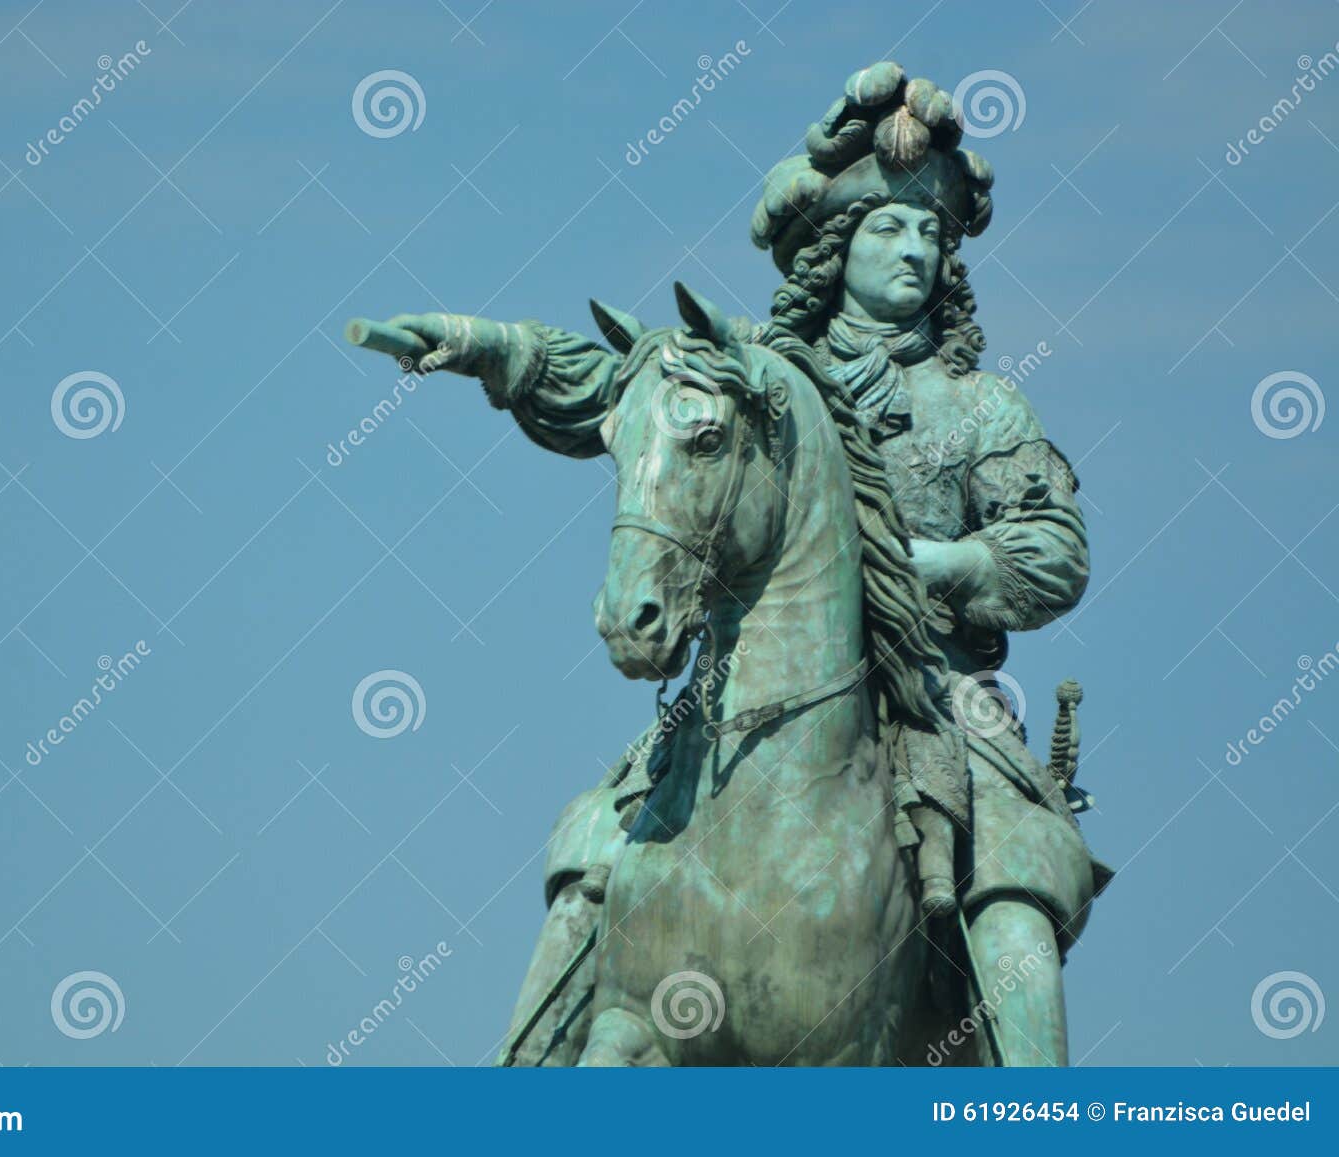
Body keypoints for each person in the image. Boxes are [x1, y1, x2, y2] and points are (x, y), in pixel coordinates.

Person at [386, 62, 1107, 1066]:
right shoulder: (758, 365)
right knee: (595, 847)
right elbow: (625, 380)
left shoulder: (982, 406)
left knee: (1018, 873)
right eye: (888, 227)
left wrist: (937, 560)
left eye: (929, 234)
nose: (914, 249)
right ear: (835, 245)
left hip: (938, 687)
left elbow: (1051, 552)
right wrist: (490, 346)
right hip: (734, 688)